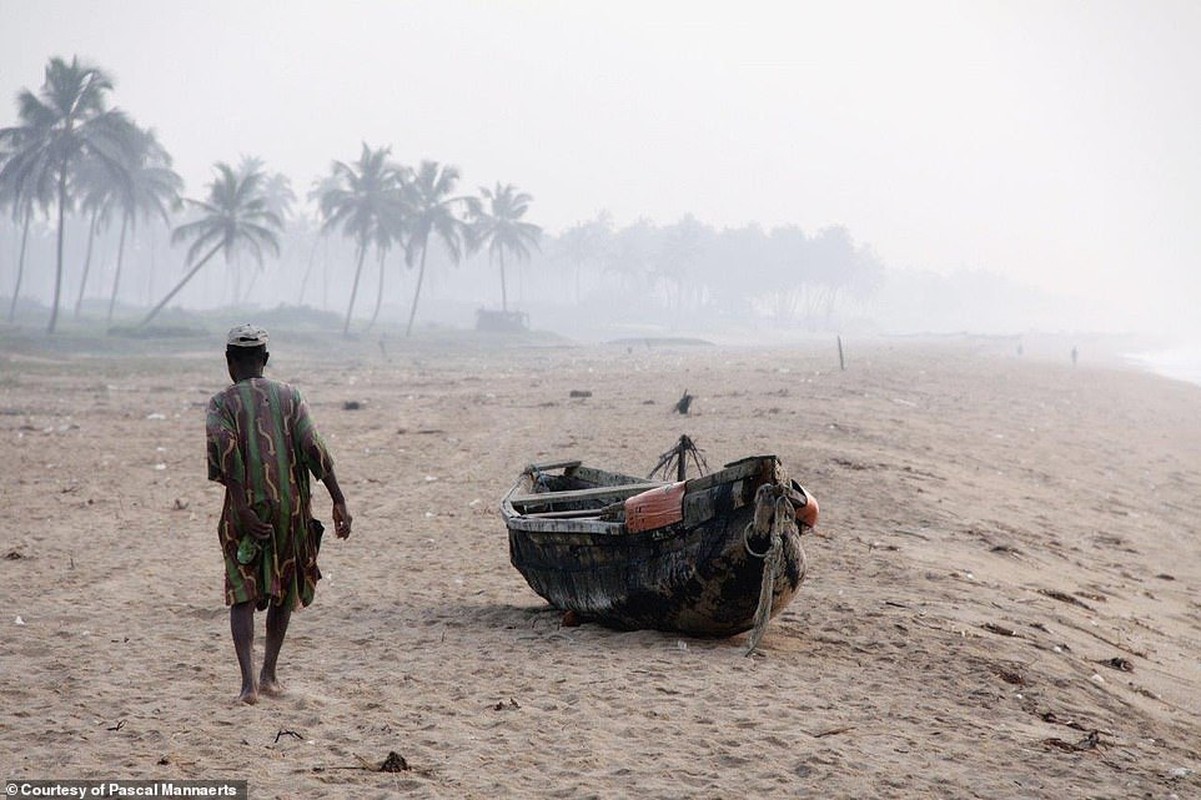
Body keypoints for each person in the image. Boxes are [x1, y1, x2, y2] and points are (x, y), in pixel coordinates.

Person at [205, 324, 352, 704]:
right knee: (285, 587)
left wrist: (239, 505)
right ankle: (270, 674)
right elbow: (312, 447)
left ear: (229, 362)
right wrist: (339, 499)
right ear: (265, 360)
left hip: (247, 510)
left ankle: (248, 685)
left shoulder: (222, 403)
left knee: (242, 589)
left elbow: (225, 451)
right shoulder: (290, 397)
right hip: (292, 509)